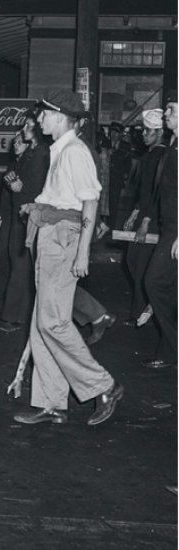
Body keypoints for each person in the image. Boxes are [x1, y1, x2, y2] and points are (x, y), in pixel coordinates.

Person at [13, 88, 122, 427]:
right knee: (40, 324)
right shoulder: (58, 150)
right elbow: (66, 198)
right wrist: (38, 206)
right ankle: (51, 403)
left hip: (63, 241)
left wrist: (83, 251)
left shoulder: (74, 151)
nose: (38, 119)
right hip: (49, 237)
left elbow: (89, 202)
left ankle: (103, 385)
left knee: (53, 322)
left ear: (60, 116)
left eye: (43, 114)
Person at [0, 115, 49, 333]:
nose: (24, 129)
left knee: (22, 265)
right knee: (21, 264)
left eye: (29, 126)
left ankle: (14, 316)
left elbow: (40, 189)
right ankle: (19, 314)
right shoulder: (30, 153)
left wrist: (21, 189)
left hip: (32, 215)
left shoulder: (42, 153)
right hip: (20, 214)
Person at [142, 91, 177, 369]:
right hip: (169, 227)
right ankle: (169, 350)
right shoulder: (173, 144)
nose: (166, 113)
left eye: (171, 109)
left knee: (153, 281)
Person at [122, 109, 165, 325]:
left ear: (159, 133)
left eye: (148, 131)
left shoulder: (162, 157)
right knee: (132, 261)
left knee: (142, 267)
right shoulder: (149, 156)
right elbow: (144, 191)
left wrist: (146, 221)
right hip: (144, 214)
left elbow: (158, 193)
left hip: (154, 219)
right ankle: (145, 307)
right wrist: (135, 212)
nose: (143, 135)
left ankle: (142, 312)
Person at [107, 121, 137, 230]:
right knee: (102, 203)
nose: (113, 135)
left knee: (113, 204)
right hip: (104, 179)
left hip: (117, 179)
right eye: (112, 132)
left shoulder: (126, 146)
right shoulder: (104, 143)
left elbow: (127, 164)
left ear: (121, 135)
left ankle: (110, 227)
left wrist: (125, 178)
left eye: (116, 133)